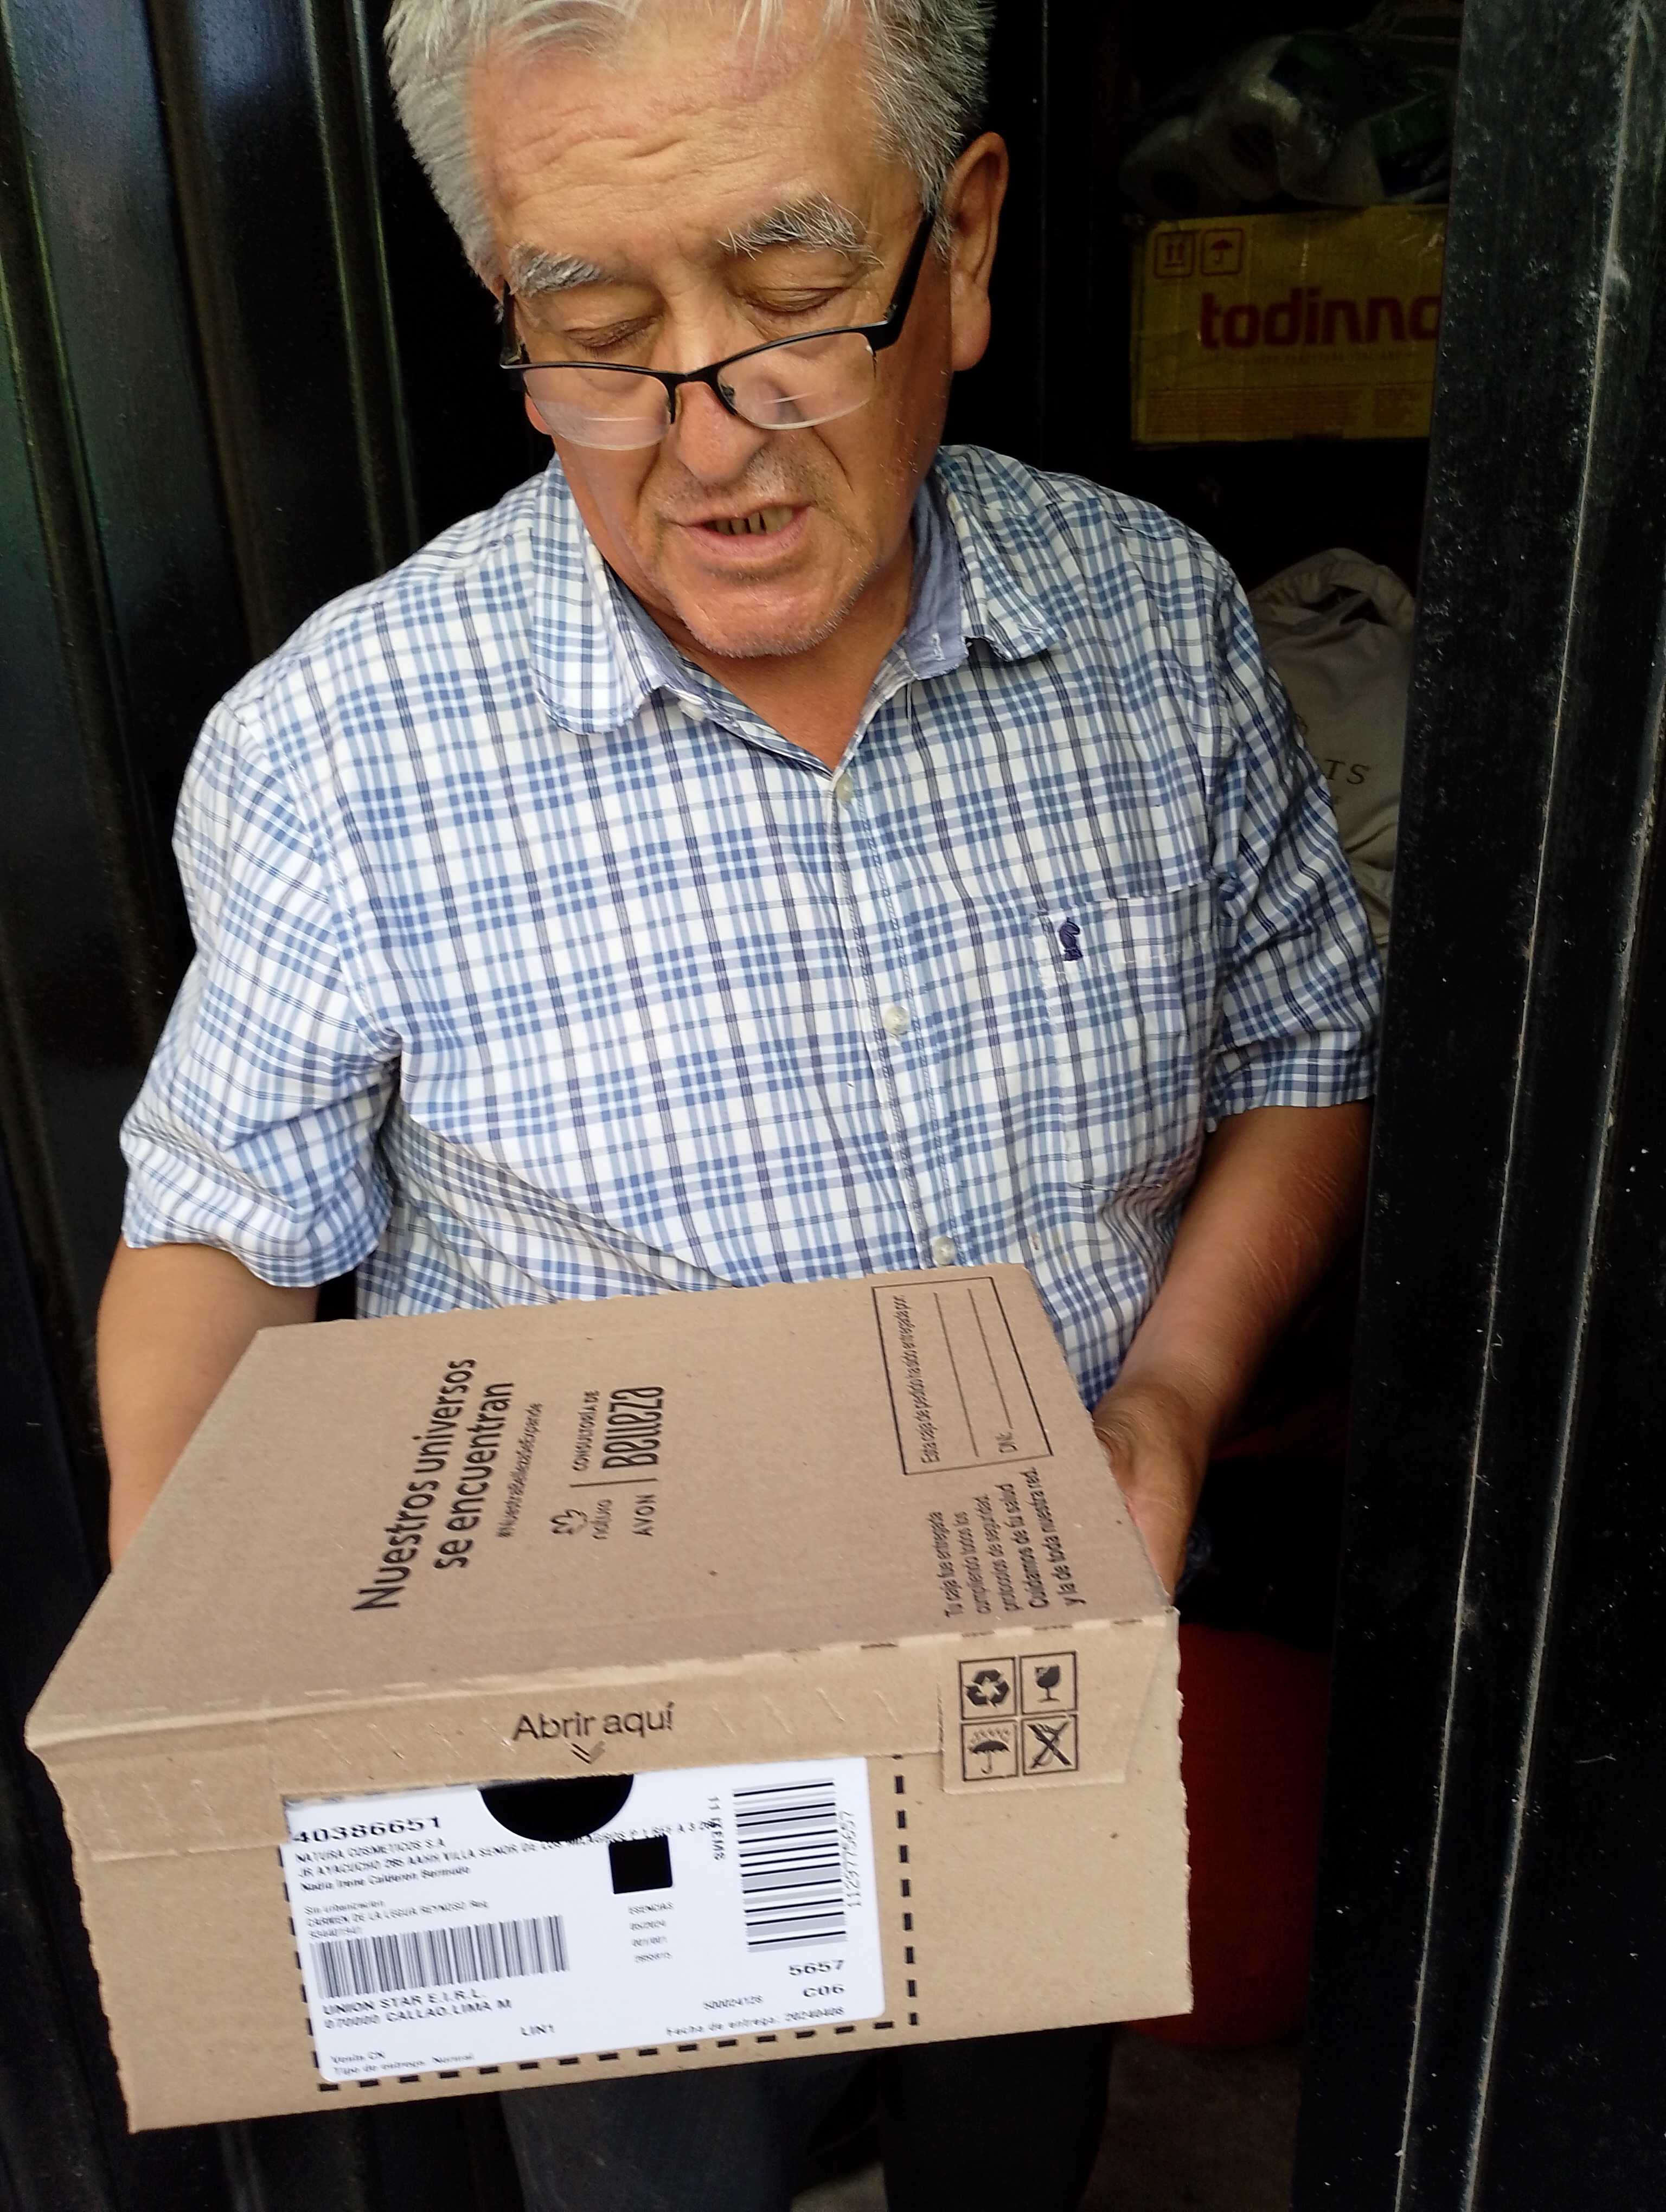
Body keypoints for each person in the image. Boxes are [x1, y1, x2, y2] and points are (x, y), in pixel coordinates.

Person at [96, 1, 1380, 2204]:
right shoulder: (340, 751)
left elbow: (1306, 1053)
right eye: (596, 332)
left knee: (1011, 2137)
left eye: (792, 297)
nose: (708, 438)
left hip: (1024, 1686)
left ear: (959, 250)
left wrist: (1170, 1404)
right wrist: (221, 1669)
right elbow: (222, 1231)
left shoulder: (1154, 634)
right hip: (602, 1773)